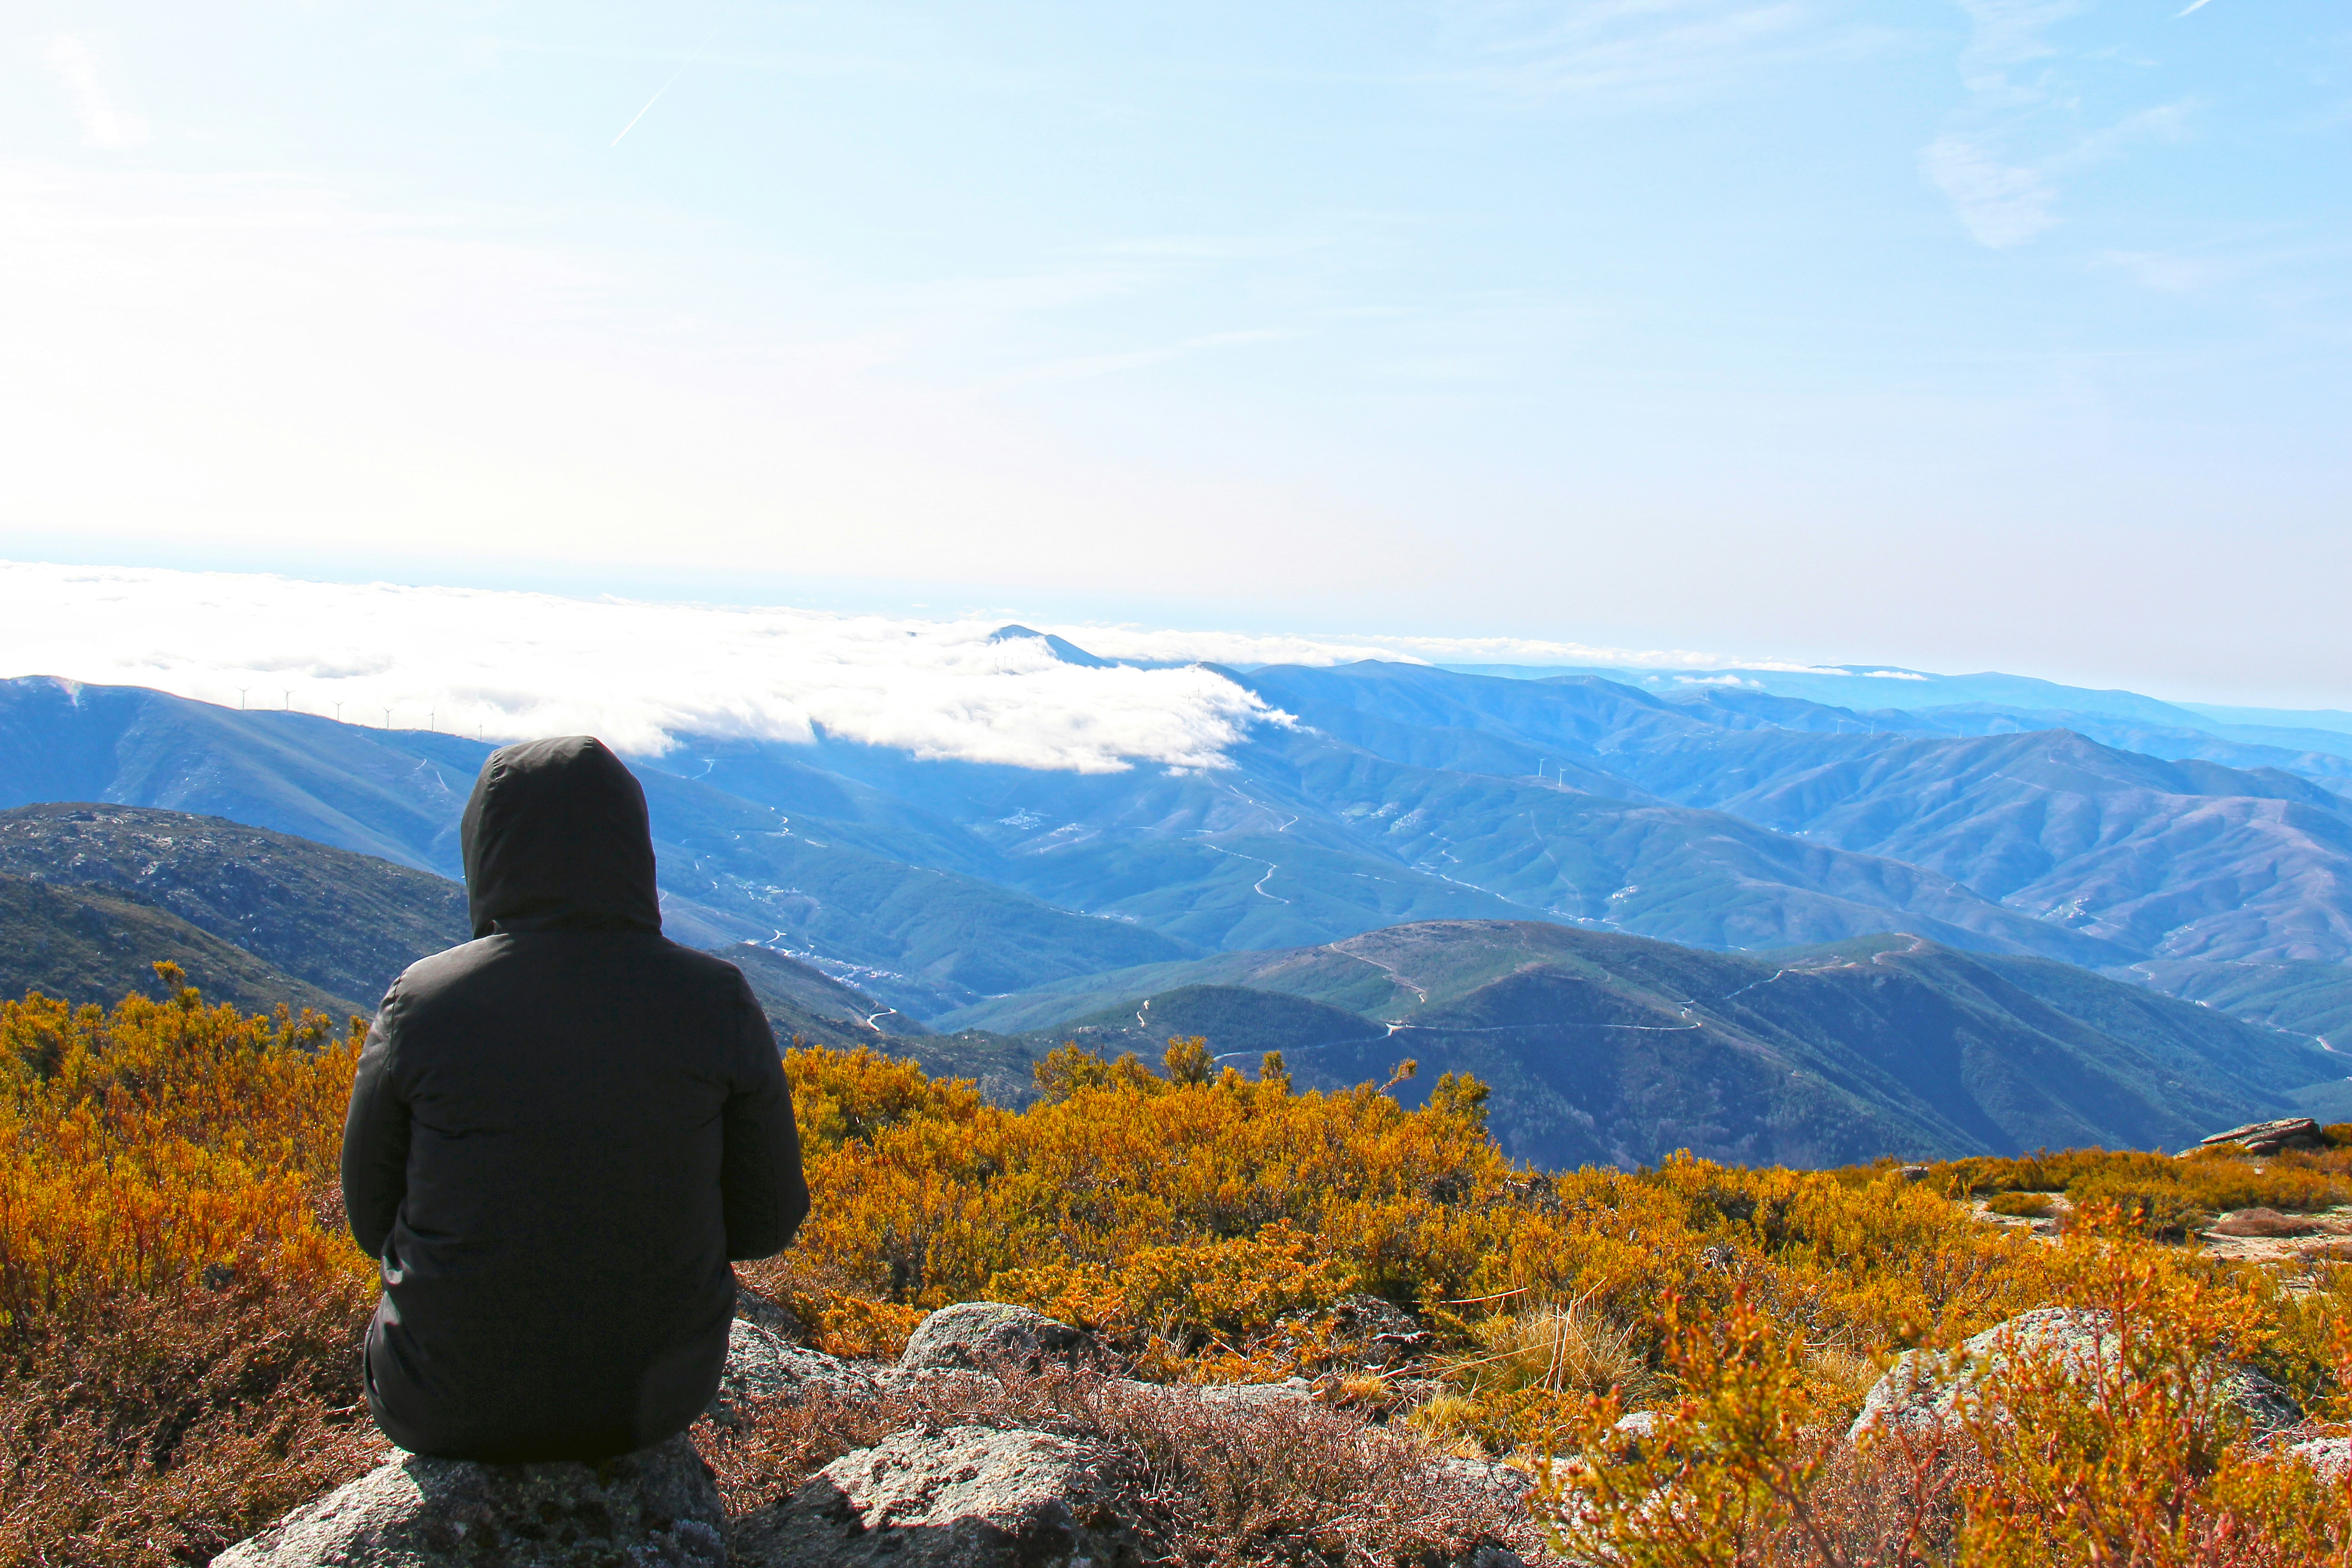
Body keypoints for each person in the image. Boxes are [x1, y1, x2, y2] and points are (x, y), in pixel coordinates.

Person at [340, 735, 808, 1461]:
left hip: (437, 1402)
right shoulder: (716, 1000)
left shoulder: (422, 1003)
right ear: (634, 850)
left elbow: (372, 1223)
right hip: (652, 1401)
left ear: (484, 848)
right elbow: (767, 1223)